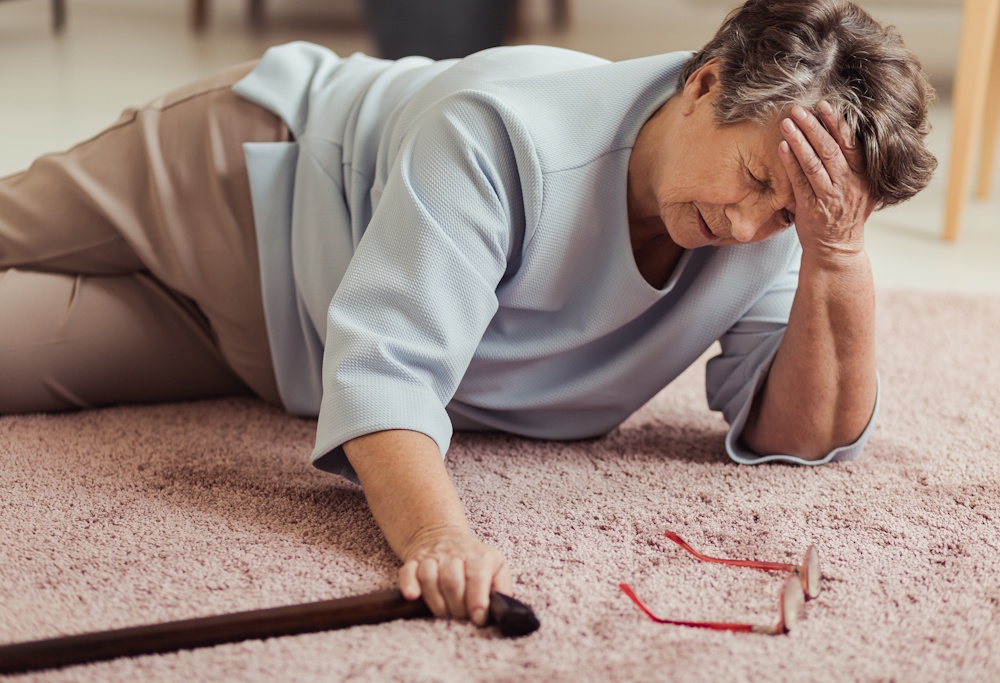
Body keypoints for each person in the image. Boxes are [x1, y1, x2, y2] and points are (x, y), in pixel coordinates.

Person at [0, 0, 936, 629]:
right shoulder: (502, 132)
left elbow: (800, 434)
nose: (743, 223)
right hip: (233, 181)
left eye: (787, 212)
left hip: (271, 345)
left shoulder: (779, 231)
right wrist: (440, 535)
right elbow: (389, 374)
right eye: (756, 178)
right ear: (704, 84)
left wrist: (834, 253)